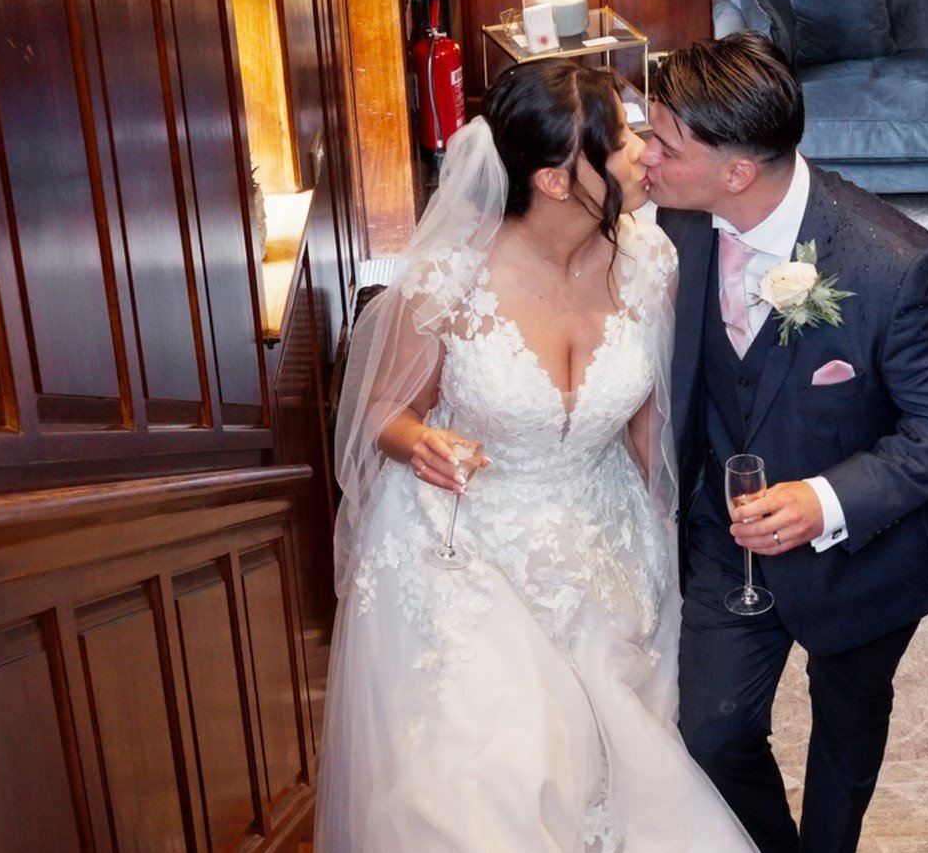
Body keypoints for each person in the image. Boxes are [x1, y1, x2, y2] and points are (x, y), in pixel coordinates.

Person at [315, 58, 757, 852]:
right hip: (469, 552)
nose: (643, 153)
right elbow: (385, 407)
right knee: (484, 786)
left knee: (624, 776)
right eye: (621, 140)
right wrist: (424, 442)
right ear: (557, 180)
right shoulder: (451, 276)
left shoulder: (651, 261)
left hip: (605, 545)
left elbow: (654, 423)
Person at [641, 32, 928, 853]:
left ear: (737, 170)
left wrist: (824, 499)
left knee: (848, 723)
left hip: (865, 554)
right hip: (722, 540)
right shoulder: (677, 223)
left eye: (664, 141)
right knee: (712, 731)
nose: (645, 154)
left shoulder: (899, 266)